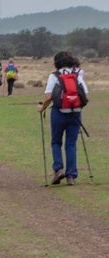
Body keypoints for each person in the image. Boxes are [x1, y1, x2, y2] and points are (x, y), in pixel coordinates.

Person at [37, 51, 89, 186]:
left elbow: (49, 96)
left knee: (56, 142)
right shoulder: (77, 75)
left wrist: (42, 108)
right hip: (75, 113)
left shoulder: (54, 76)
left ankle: (58, 169)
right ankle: (71, 176)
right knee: (71, 144)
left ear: (56, 62)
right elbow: (86, 97)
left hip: (59, 113)